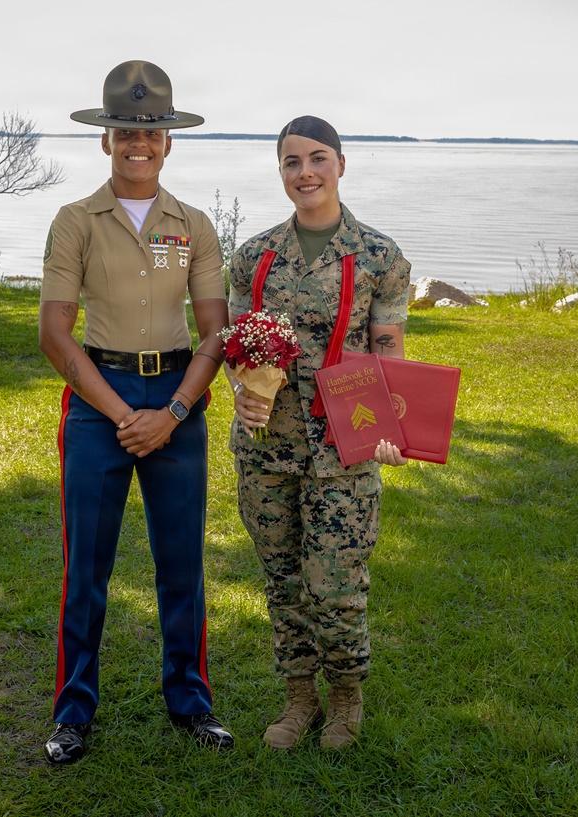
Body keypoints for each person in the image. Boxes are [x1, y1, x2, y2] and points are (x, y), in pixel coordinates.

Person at [38, 60, 233, 765]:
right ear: (106, 140)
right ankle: (73, 713)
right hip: (100, 405)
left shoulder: (195, 225)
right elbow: (55, 334)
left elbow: (215, 331)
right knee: (85, 569)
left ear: (168, 142)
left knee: (181, 564)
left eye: (151, 132)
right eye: (126, 131)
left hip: (179, 401)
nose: (138, 143)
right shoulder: (75, 222)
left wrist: (173, 411)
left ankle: (190, 702)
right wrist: (127, 415)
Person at [226, 115, 410, 751]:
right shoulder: (252, 256)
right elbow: (238, 347)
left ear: (340, 164)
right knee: (283, 581)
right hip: (267, 450)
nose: (304, 172)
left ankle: (346, 698)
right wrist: (241, 394)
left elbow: (388, 351)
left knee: (335, 587)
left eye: (317, 159)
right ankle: (299, 697)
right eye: (291, 162)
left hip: (344, 451)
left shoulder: (380, 257)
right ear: (280, 171)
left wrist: (393, 429)